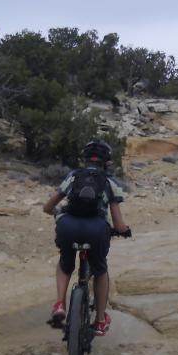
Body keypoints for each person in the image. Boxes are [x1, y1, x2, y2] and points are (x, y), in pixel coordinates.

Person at [43, 138, 130, 336]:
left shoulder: (73, 176)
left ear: (85, 159)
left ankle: (59, 304)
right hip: (96, 229)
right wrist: (124, 230)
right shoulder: (110, 182)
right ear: (107, 161)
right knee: (100, 270)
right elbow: (118, 224)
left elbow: (48, 207)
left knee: (65, 263)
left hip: (68, 226)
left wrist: (56, 212)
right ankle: (100, 321)